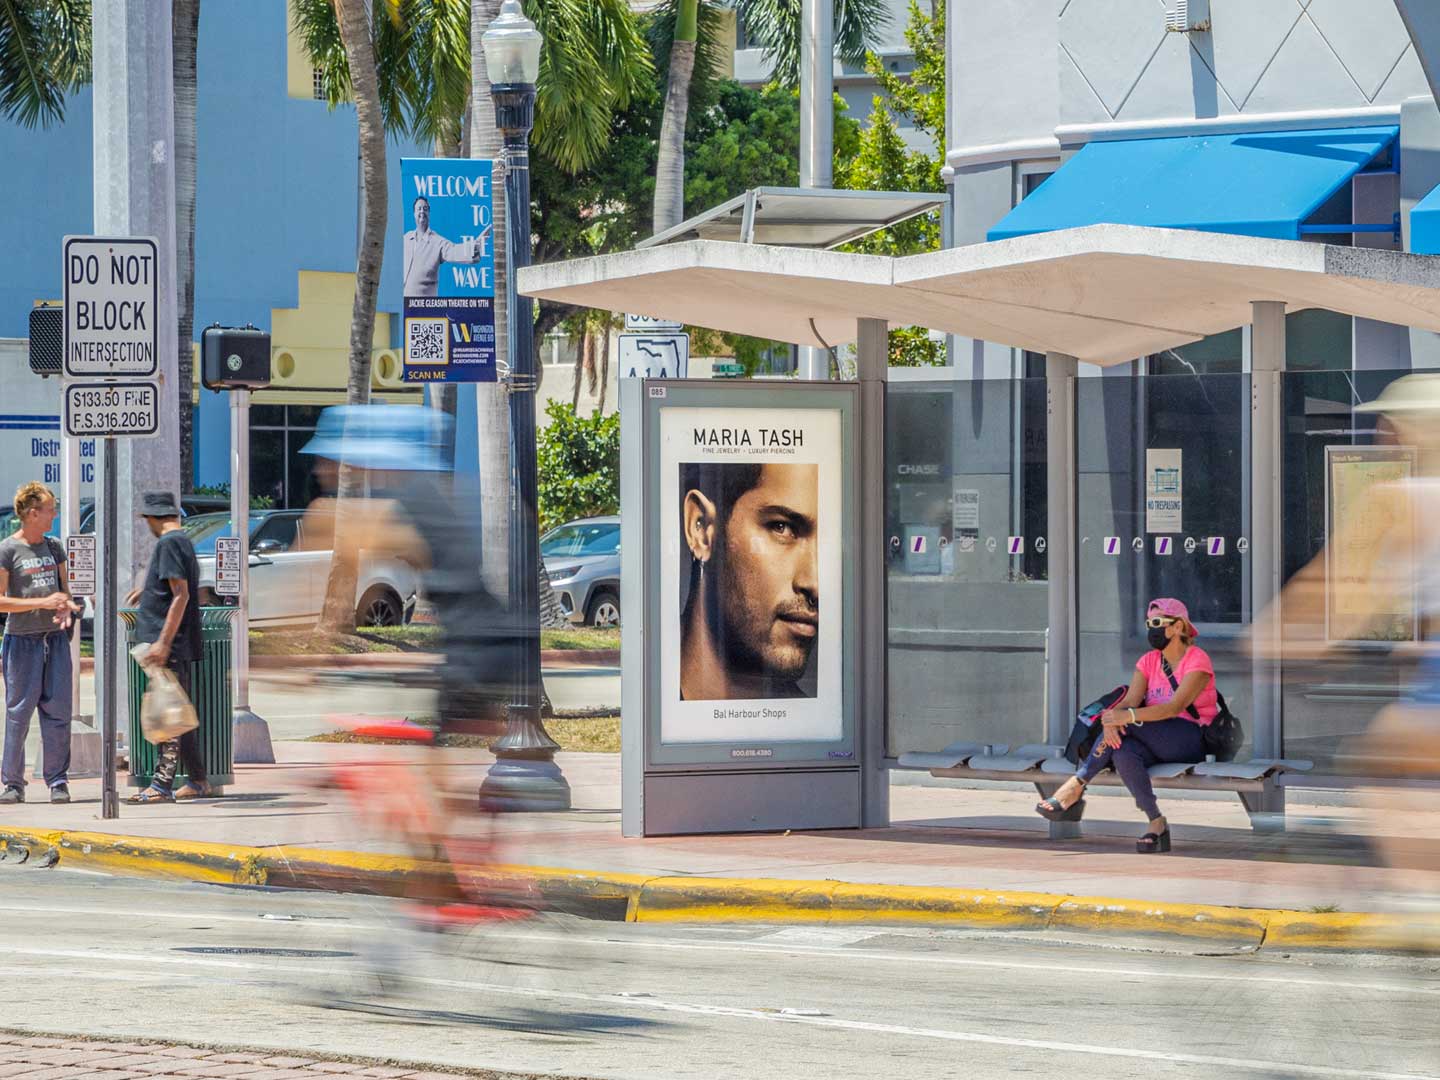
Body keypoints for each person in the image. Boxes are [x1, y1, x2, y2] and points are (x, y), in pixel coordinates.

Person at [1037, 598, 1216, 853]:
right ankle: (1156, 822)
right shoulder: (1148, 661)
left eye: (1158, 623)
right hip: (1152, 737)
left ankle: (1076, 785)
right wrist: (1111, 723)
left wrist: (1125, 718)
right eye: (1148, 623)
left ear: (1178, 627)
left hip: (1190, 737)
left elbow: (1173, 708)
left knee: (1128, 725)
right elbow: (1131, 701)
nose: (1151, 629)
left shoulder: (1197, 660)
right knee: (1122, 751)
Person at [679, 462, 819, 700]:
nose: (815, 583)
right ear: (701, 530)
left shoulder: (817, 726)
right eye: (781, 527)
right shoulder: (649, 692)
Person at [0, 482, 81, 804]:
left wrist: (66, 608)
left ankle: (57, 780)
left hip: (55, 640)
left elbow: (65, 589)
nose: (54, 515)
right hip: (22, 641)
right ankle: (12, 783)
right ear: (33, 513)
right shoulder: (8, 549)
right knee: (18, 713)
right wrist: (44, 603)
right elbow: (1, 602)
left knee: (59, 712)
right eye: (49, 510)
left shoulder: (54, 546)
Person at [127, 491, 206, 803]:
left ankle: (160, 785)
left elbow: (181, 594)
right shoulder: (183, 541)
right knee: (179, 714)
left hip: (168, 646)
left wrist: (162, 642)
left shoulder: (169, 543)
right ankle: (198, 780)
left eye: (147, 518)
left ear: (153, 517)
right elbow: (172, 588)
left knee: (168, 717)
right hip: (175, 644)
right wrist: (146, 591)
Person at [402, 196, 490, 297]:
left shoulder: (437, 242)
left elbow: (454, 251)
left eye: (425, 209)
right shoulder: (406, 239)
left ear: (429, 214)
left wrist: (475, 246)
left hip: (425, 308)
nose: (422, 211)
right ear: (414, 214)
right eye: (419, 209)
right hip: (403, 305)